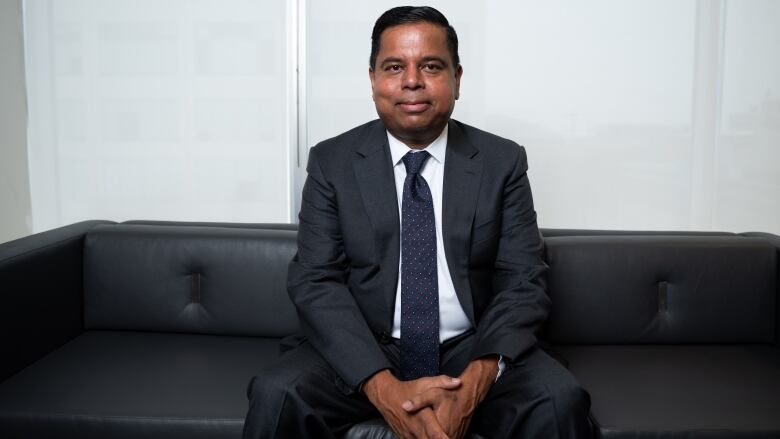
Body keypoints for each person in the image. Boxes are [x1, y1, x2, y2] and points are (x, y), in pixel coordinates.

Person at [243, 6, 591, 439]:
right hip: (367, 344)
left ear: (457, 79)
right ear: (372, 80)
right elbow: (316, 282)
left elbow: (523, 280)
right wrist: (382, 387)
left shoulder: (502, 162)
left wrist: (475, 384)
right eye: (394, 67)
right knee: (279, 394)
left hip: (472, 346)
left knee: (557, 400)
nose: (412, 80)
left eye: (430, 66)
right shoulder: (332, 162)